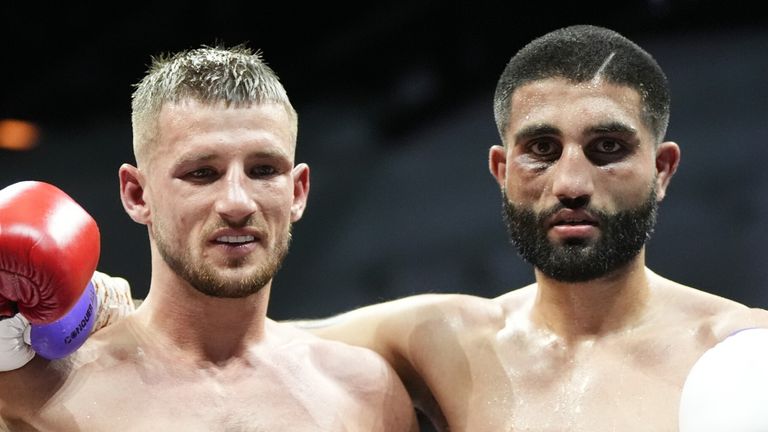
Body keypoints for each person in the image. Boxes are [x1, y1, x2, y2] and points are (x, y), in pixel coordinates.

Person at [291, 25, 768, 431]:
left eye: (607, 147)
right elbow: (261, 348)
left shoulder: (743, 349)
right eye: (542, 149)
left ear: (661, 170)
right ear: (502, 171)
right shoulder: (444, 342)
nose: (571, 184)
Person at [0, 45, 417, 431]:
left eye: (264, 170)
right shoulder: (38, 399)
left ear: (297, 192)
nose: (237, 203)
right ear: (137, 194)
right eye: (202, 173)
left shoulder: (364, 394)